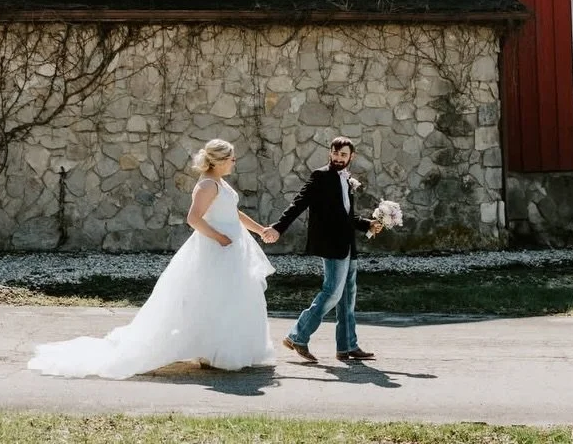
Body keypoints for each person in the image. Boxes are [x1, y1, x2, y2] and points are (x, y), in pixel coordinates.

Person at [27, 139, 278, 379]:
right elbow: (193, 219)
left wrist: (259, 229)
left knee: (232, 300)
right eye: (232, 158)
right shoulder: (207, 185)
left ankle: (221, 349)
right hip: (216, 249)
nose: (235, 162)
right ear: (220, 161)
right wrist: (219, 237)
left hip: (232, 249)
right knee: (212, 299)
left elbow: (233, 212)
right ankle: (211, 351)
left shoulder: (220, 184)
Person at [264, 135, 382, 364]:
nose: (338, 158)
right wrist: (279, 228)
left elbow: (346, 215)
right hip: (332, 245)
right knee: (332, 293)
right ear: (330, 153)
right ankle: (297, 336)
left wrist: (367, 224)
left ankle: (347, 346)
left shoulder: (346, 179)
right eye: (335, 154)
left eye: (343, 155)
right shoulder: (320, 176)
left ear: (351, 156)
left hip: (348, 245)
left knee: (348, 297)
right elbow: (299, 202)